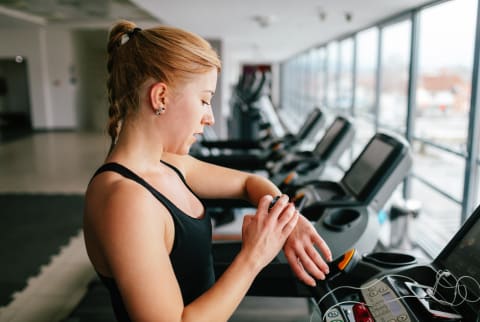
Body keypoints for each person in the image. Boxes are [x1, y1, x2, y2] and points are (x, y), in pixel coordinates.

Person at [83, 20, 332, 322]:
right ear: (160, 97)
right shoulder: (127, 199)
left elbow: (250, 183)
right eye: (204, 100)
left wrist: (289, 220)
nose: (210, 118)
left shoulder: (168, 164)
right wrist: (255, 256)